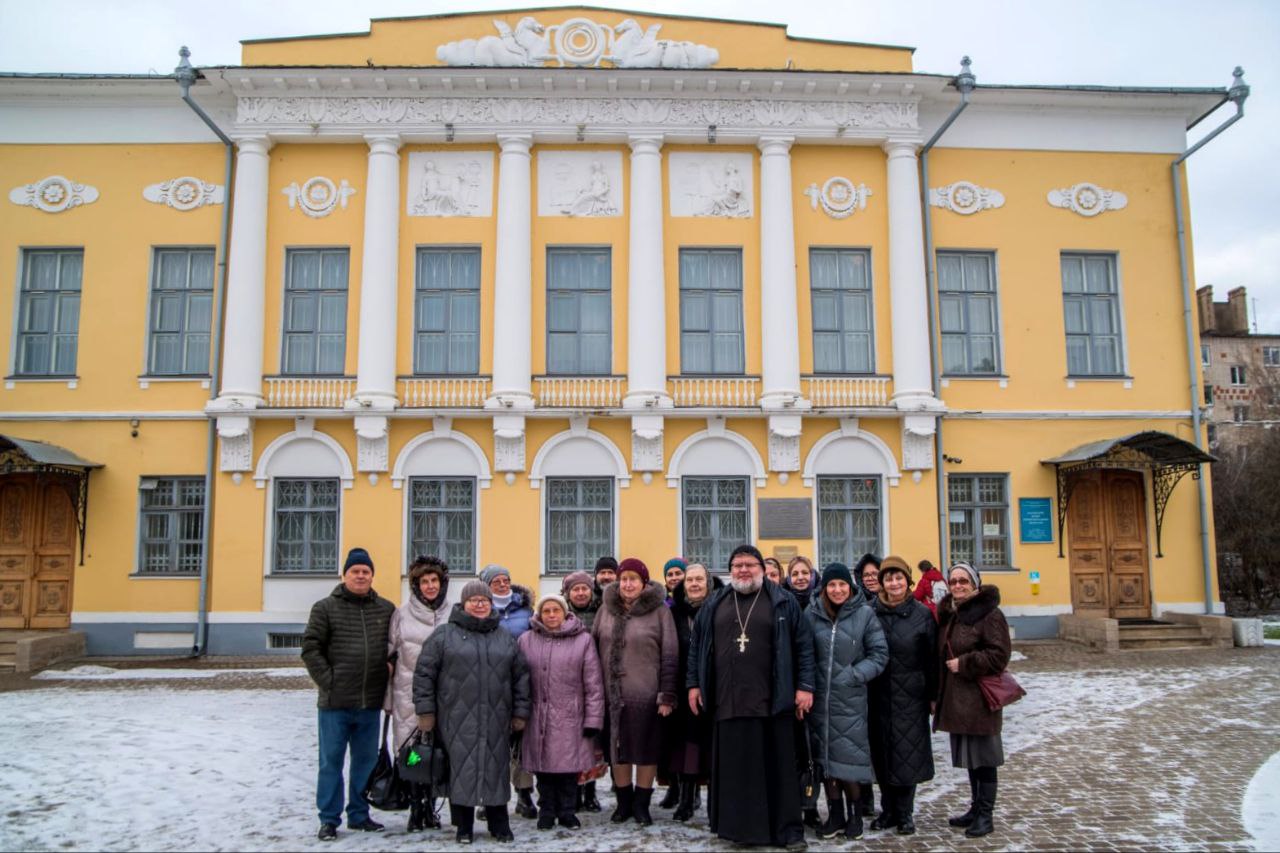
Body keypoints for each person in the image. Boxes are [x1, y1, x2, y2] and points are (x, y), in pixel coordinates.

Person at [687, 545, 816, 850]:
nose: (743, 570)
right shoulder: (715, 602)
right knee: (736, 771)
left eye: (749, 565)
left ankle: (787, 831)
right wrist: (694, 684)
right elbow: (697, 647)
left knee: (779, 769)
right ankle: (739, 829)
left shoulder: (782, 601)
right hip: (728, 700)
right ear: (730, 570)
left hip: (774, 699)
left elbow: (804, 646)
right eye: (737, 565)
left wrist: (805, 687)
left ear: (761, 567)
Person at [414, 580, 531, 845]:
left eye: (484, 600)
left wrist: (520, 713)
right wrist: (425, 711)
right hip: (455, 718)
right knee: (461, 771)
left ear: (491, 604)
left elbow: (520, 677)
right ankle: (463, 825)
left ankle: (499, 823)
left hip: (497, 718)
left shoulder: (503, 637)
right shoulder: (444, 635)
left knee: (495, 769)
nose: (479, 604)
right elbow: (424, 674)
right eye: (474, 600)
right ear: (463, 604)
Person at [301, 547, 397, 842]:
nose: (360, 576)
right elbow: (311, 649)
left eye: (365, 571)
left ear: (371, 576)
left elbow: (394, 647)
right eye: (355, 571)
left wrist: (389, 669)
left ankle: (359, 814)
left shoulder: (386, 609)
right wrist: (328, 681)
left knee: (365, 762)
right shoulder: (325, 608)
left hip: (370, 703)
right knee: (331, 762)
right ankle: (329, 819)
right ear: (344, 575)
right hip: (335, 703)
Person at [805, 562, 888, 841]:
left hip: (849, 698)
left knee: (848, 760)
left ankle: (855, 816)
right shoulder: (812, 614)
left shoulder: (864, 614)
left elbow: (879, 654)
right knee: (825, 761)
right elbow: (804, 651)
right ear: (824, 588)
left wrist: (855, 675)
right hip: (819, 701)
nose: (837, 590)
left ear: (850, 587)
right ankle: (835, 814)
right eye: (832, 585)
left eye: (842, 584)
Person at [592, 557, 678, 826]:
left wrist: (666, 694)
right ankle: (623, 803)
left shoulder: (660, 612)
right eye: (624, 579)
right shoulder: (605, 611)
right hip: (611, 697)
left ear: (644, 582)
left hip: (647, 696)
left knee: (646, 750)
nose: (628, 584)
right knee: (618, 750)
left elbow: (671, 655)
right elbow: (593, 652)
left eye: (634, 579)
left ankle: (642, 804)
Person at [935, 562, 1012, 839]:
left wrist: (965, 663)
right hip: (959, 701)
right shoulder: (953, 614)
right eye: (953, 581)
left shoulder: (990, 615)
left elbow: (999, 655)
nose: (957, 585)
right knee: (971, 759)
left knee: (985, 759)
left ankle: (985, 815)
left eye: (963, 581)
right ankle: (975, 807)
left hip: (980, 700)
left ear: (975, 584)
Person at [518, 595, 605, 831]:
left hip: (571, 715)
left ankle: (567, 811)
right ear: (539, 614)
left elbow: (593, 684)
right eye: (546, 611)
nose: (551, 615)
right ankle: (546, 811)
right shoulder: (526, 640)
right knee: (543, 769)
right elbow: (518, 679)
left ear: (565, 613)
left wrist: (593, 719)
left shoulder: (583, 640)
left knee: (568, 769)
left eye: (556, 610)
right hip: (538, 715)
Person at [867, 556, 937, 835]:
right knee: (882, 753)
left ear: (907, 581)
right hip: (878, 693)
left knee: (908, 754)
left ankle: (905, 813)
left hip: (911, 694)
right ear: (881, 582)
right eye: (888, 578)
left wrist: (932, 694)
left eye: (898, 578)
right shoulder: (870, 611)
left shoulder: (921, 614)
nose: (893, 583)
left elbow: (932, 658)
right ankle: (888, 810)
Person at [385, 555, 451, 832]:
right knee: (412, 753)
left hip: (444, 696)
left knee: (437, 753)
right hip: (408, 696)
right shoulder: (401, 614)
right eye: (424, 581)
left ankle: (432, 806)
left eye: (434, 580)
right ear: (416, 585)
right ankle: (416, 805)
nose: (430, 586)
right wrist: (389, 702)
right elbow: (391, 654)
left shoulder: (452, 613)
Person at [665, 562, 722, 821]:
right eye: (690, 580)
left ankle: (715, 802)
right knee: (686, 748)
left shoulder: (721, 609)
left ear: (708, 583)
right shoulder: (673, 613)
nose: (695, 584)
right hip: (682, 687)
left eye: (699, 579)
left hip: (715, 687)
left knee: (712, 747)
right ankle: (686, 800)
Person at [479, 564, 537, 818]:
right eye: (496, 581)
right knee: (491, 743)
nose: (503, 584)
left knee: (521, 743)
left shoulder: (525, 611)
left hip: (521, 682)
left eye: (506, 580)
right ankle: (488, 797)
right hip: (488, 685)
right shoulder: (480, 609)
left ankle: (524, 795)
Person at [561, 570, 603, 812]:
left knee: (592, 741)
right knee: (571, 742)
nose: (580, 592)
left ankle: (591, 791)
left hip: (595, 682)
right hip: (568, 684)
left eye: (584, 588)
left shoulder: (600, 612)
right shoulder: (560, 614)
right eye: (575, 589)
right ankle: (573, 791)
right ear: (568, 593)